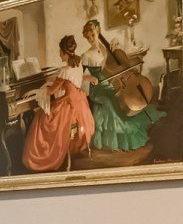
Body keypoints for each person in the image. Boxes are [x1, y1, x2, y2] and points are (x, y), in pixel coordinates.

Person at [80, 17, 164, 153]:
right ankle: (120, 137)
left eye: (93, 35)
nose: (91, 39)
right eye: (88, 37)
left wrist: (116, 44)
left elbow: (121, 62)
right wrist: (89, 77)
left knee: (118, 98)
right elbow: (79, 75)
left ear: (98, 31)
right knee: (110, 101)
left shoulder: (108, 48)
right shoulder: (86, 55)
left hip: (110, 84)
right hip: (98, 88)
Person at [21, 36, 96, 172]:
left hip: (69, 105)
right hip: (79, 103)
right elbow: (72, 82)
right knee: (45, 114)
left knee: (41, 117)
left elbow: (51, 91)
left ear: (65, 53)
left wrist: (35, 91)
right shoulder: (78, 65)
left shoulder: (64, 70)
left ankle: (41, 156)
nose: (59, 55)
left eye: (60, 52)